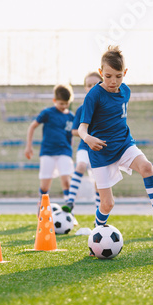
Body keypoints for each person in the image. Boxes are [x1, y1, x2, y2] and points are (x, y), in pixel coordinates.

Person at [78, 46, 153, 243]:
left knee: (147, 167)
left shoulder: (126, 91)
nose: (113, 81)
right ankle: (96, 234)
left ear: (125, 73)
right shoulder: (93, 95)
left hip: (124, 144)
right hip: (100, 152)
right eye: (108, 76)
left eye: (118, 76)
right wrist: (88, 138)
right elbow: (83, 128)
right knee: (107, 204)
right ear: (101, 73)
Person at [25, 84, 75, 214]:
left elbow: (71, 135)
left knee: (66, 180)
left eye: (66, 104)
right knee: (45, 185)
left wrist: (70, 150)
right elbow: (32, 127)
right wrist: (28, 146)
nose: (64, 106)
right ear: (54, 101)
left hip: (64, 151)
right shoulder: (48, 113)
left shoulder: (71, 117)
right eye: (61, 103)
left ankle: (69, 211)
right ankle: (41, 208)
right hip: (48, 152)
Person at [62, 72, 102, 217]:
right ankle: (70, 201)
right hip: (85, 147)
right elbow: (73, 130)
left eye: (95, 84)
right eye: (89, 85)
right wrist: (87, 135)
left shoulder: (105, 108)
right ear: (85, 88)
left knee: (99, 181)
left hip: (99, 150)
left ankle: (99, 214)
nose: (92, 87)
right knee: (81, 165)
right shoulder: (82, 108)